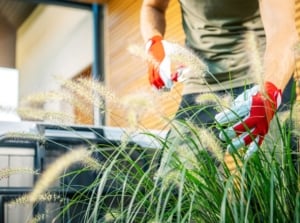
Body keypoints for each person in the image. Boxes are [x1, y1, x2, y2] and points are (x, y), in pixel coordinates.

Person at [140, 0, 298, 177]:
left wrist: (270, 90)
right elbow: (153, 6)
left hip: (264, 75)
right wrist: (153, 41)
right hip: (201, 81)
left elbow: (282, 33)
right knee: (177, 181)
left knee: (275, 181)